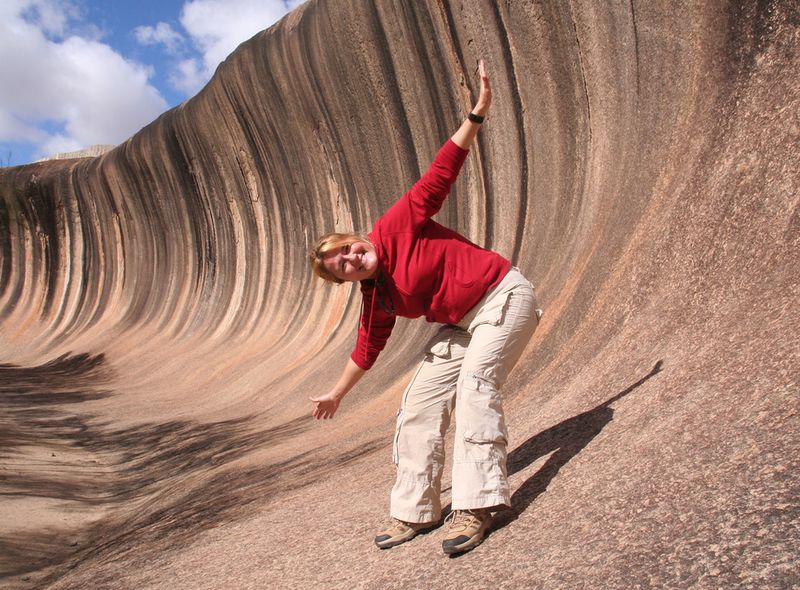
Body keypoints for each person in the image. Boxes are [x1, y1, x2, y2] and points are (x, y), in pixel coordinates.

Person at [308, 60, 541, 555]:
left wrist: (476, 114)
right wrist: (336, 394)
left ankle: (479, 504)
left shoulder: (394, 226)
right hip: (461, 325)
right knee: (419, 405)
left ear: (355, 238)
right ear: (344, 280)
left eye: (347, 249)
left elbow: (439, 174)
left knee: (476, 385)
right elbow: (366, 349)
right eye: (342, 266)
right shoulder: (376, 297)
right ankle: (416, 510)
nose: (351, 259)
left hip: (502, 295)